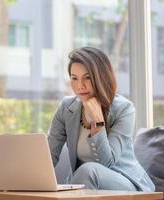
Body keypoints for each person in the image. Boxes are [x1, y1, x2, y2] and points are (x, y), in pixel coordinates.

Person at [48, 47, 155, 191]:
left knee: (88, 171)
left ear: (101, 77)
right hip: (84, 184)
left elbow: (108, 162)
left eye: (87, 77)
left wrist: (97, 120)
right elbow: (49, 155)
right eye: (74, 78)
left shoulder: (124, 109)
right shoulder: (67, 108)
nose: (80, 86)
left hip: (124, 181)